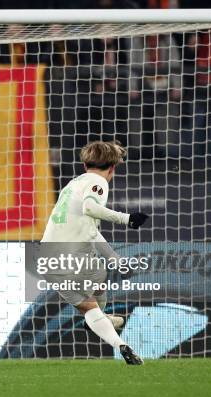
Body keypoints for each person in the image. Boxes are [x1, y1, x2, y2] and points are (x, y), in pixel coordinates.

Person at [41, 141, 148, 365]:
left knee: (96, 286)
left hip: (48, 255)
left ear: (84, 165)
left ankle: (102, 323)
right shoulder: (97, 181)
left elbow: (91, 231)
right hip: (71, 254)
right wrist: (126, 219)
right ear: (112, 168)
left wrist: (115, 260)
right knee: (91, 302)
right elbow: (90, 207)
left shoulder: (72, 185)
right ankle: (113, 335)